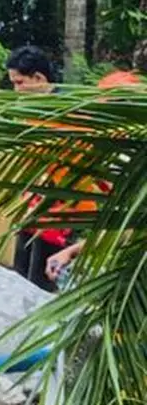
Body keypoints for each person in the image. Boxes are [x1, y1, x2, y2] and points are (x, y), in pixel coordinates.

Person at [2, 45, 98, 292]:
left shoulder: (71, 110)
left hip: (64, 206)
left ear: (39, 78)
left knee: (41, 283)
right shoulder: (32, 108)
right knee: (19, 277)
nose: (16, 90)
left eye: (20, 83)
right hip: (35, 204)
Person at [43, 69, 143, 286]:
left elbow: (134, 229)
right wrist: (74, 251)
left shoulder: (132, 160)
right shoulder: (113, 155)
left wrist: (74, 250)